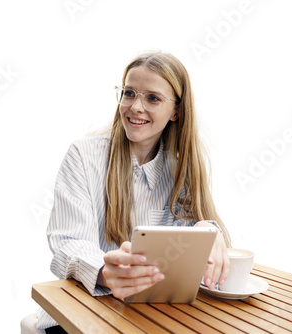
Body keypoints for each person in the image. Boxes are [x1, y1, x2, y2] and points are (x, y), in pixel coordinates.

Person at [36, 51, 231, 333]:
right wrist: (105, 272)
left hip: (150, 318)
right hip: (79, 316)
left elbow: (187, 261)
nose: (135, 107)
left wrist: (208, 231)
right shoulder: (84, 155)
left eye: (152, 98)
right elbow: (68, 243)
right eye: (129, 93)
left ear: (176, 111)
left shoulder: (181, 169)